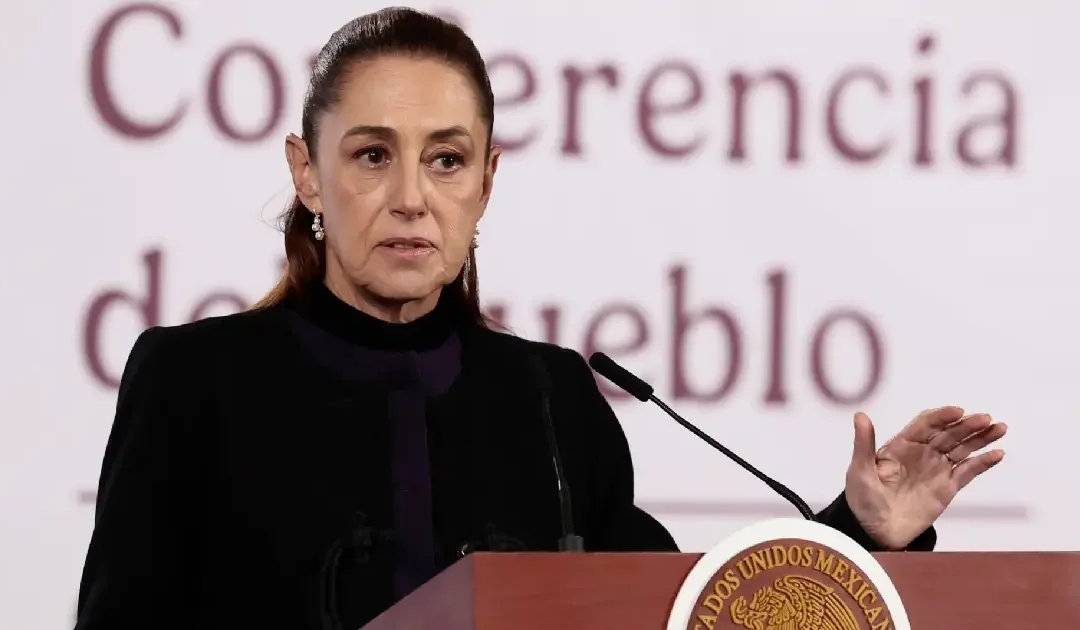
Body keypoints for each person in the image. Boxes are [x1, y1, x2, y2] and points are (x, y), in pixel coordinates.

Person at [71, 7, 1008, 629]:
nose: (411, 197)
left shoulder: (550, 397)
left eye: (446, 159)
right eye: (371, 156)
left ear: (486, 181)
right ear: (307, 173)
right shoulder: (196, 381)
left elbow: (682, 615)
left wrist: (861, 532)